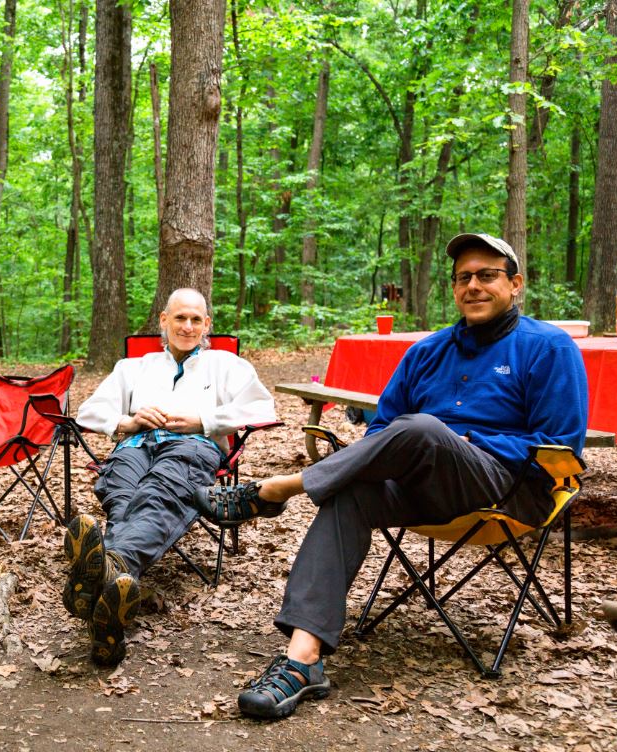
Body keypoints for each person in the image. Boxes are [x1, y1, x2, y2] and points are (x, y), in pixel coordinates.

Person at [192, 233, 588, 720]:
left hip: (507, 489)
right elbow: (382, 428)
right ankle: (302, 661)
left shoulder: (547, 347)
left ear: (516, 285)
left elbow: (560, 445)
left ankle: (279, 488)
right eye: (464, 278)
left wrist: (471, 445)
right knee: (353, 490)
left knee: (423, 429)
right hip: (424, 489)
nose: (474, 286)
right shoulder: (428, 351)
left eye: (487, 275)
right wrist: (428, 443)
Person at [65, 288, 277, 665]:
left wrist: (204, 421)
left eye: (197, 319)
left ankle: (108, 571)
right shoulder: (134, 367)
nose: (188, 326)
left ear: (207, 324)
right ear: (163, 321)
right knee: (122, 493)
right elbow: (89, 410)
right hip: (134, 445)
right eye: (180, 318)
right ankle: (109, 597)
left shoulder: (226, 365)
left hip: (192, 447)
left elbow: (262, 406)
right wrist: (126, 421)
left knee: (159, 492)